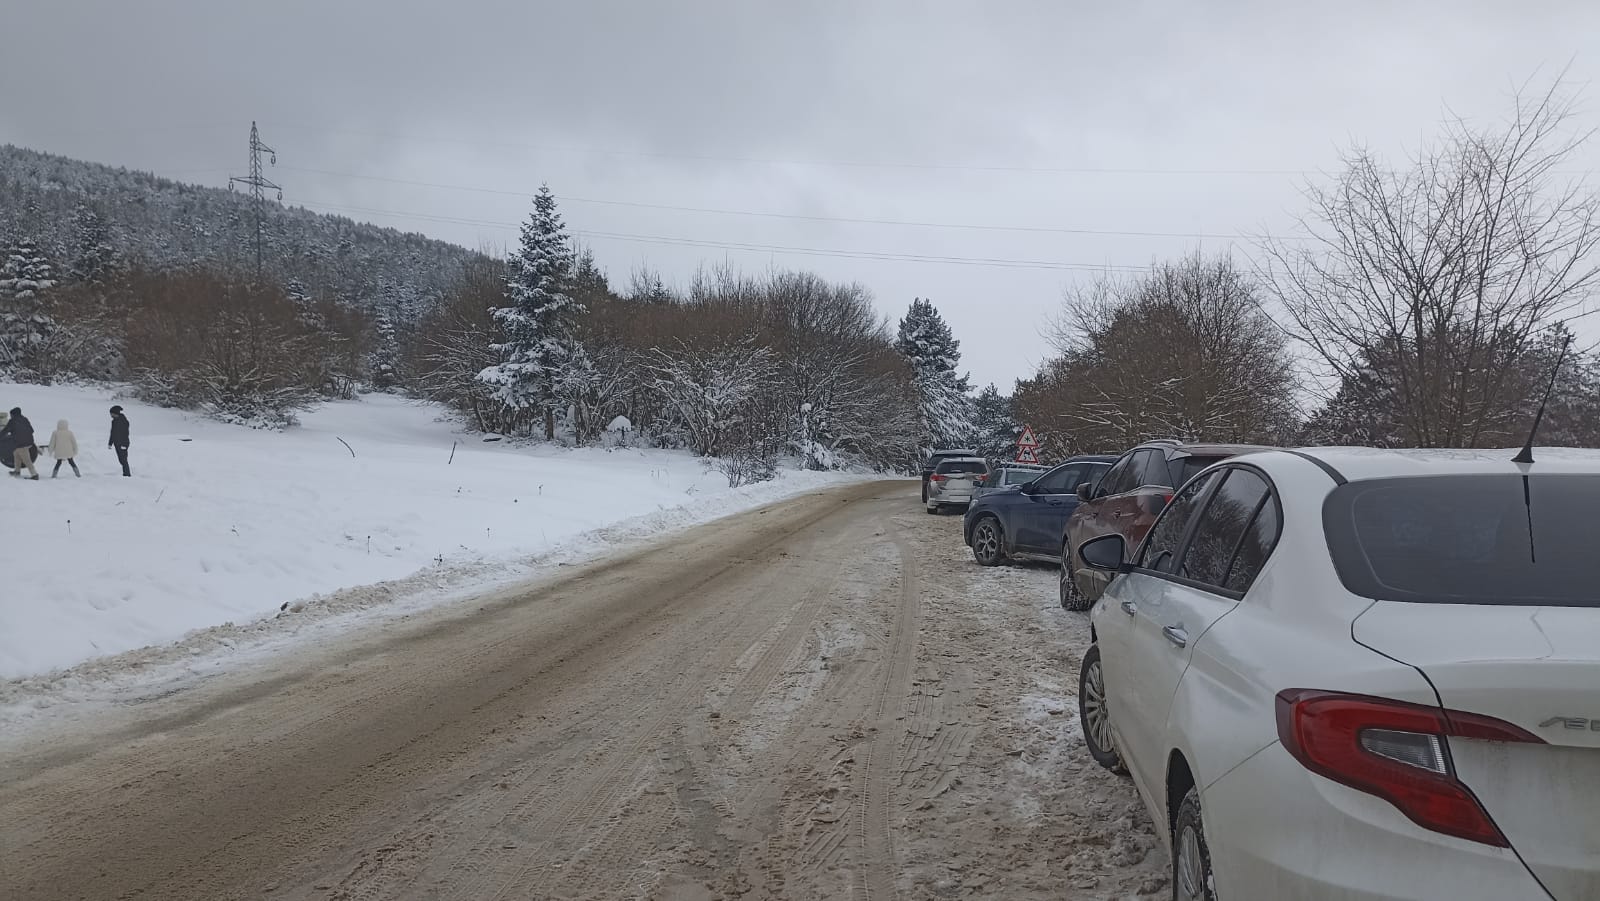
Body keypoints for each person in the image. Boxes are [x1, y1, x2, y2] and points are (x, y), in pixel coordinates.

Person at [3, 407, 39, 479]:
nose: (11, 416)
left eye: (11, 415)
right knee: (16, 453)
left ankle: (34, 475)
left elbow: (5, 430)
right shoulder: (25, 419)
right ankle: (17, 471)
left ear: (13, 414)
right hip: (29, 442)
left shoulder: (12, 421)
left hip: (21, 444)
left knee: (26, 460)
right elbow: (32, 430)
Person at [109, 405, 131, 477]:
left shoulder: (124, 421)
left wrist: (124, 444)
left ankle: (127, 475)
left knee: (123, 460)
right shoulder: (114, 422)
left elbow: (125, 434)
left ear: (115, 413)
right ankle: (125, 474)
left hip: (123, 443)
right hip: (117, 444)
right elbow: (112, 433)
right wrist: (110, 443)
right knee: (121, 460)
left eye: (112, 413)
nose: (111, 415)